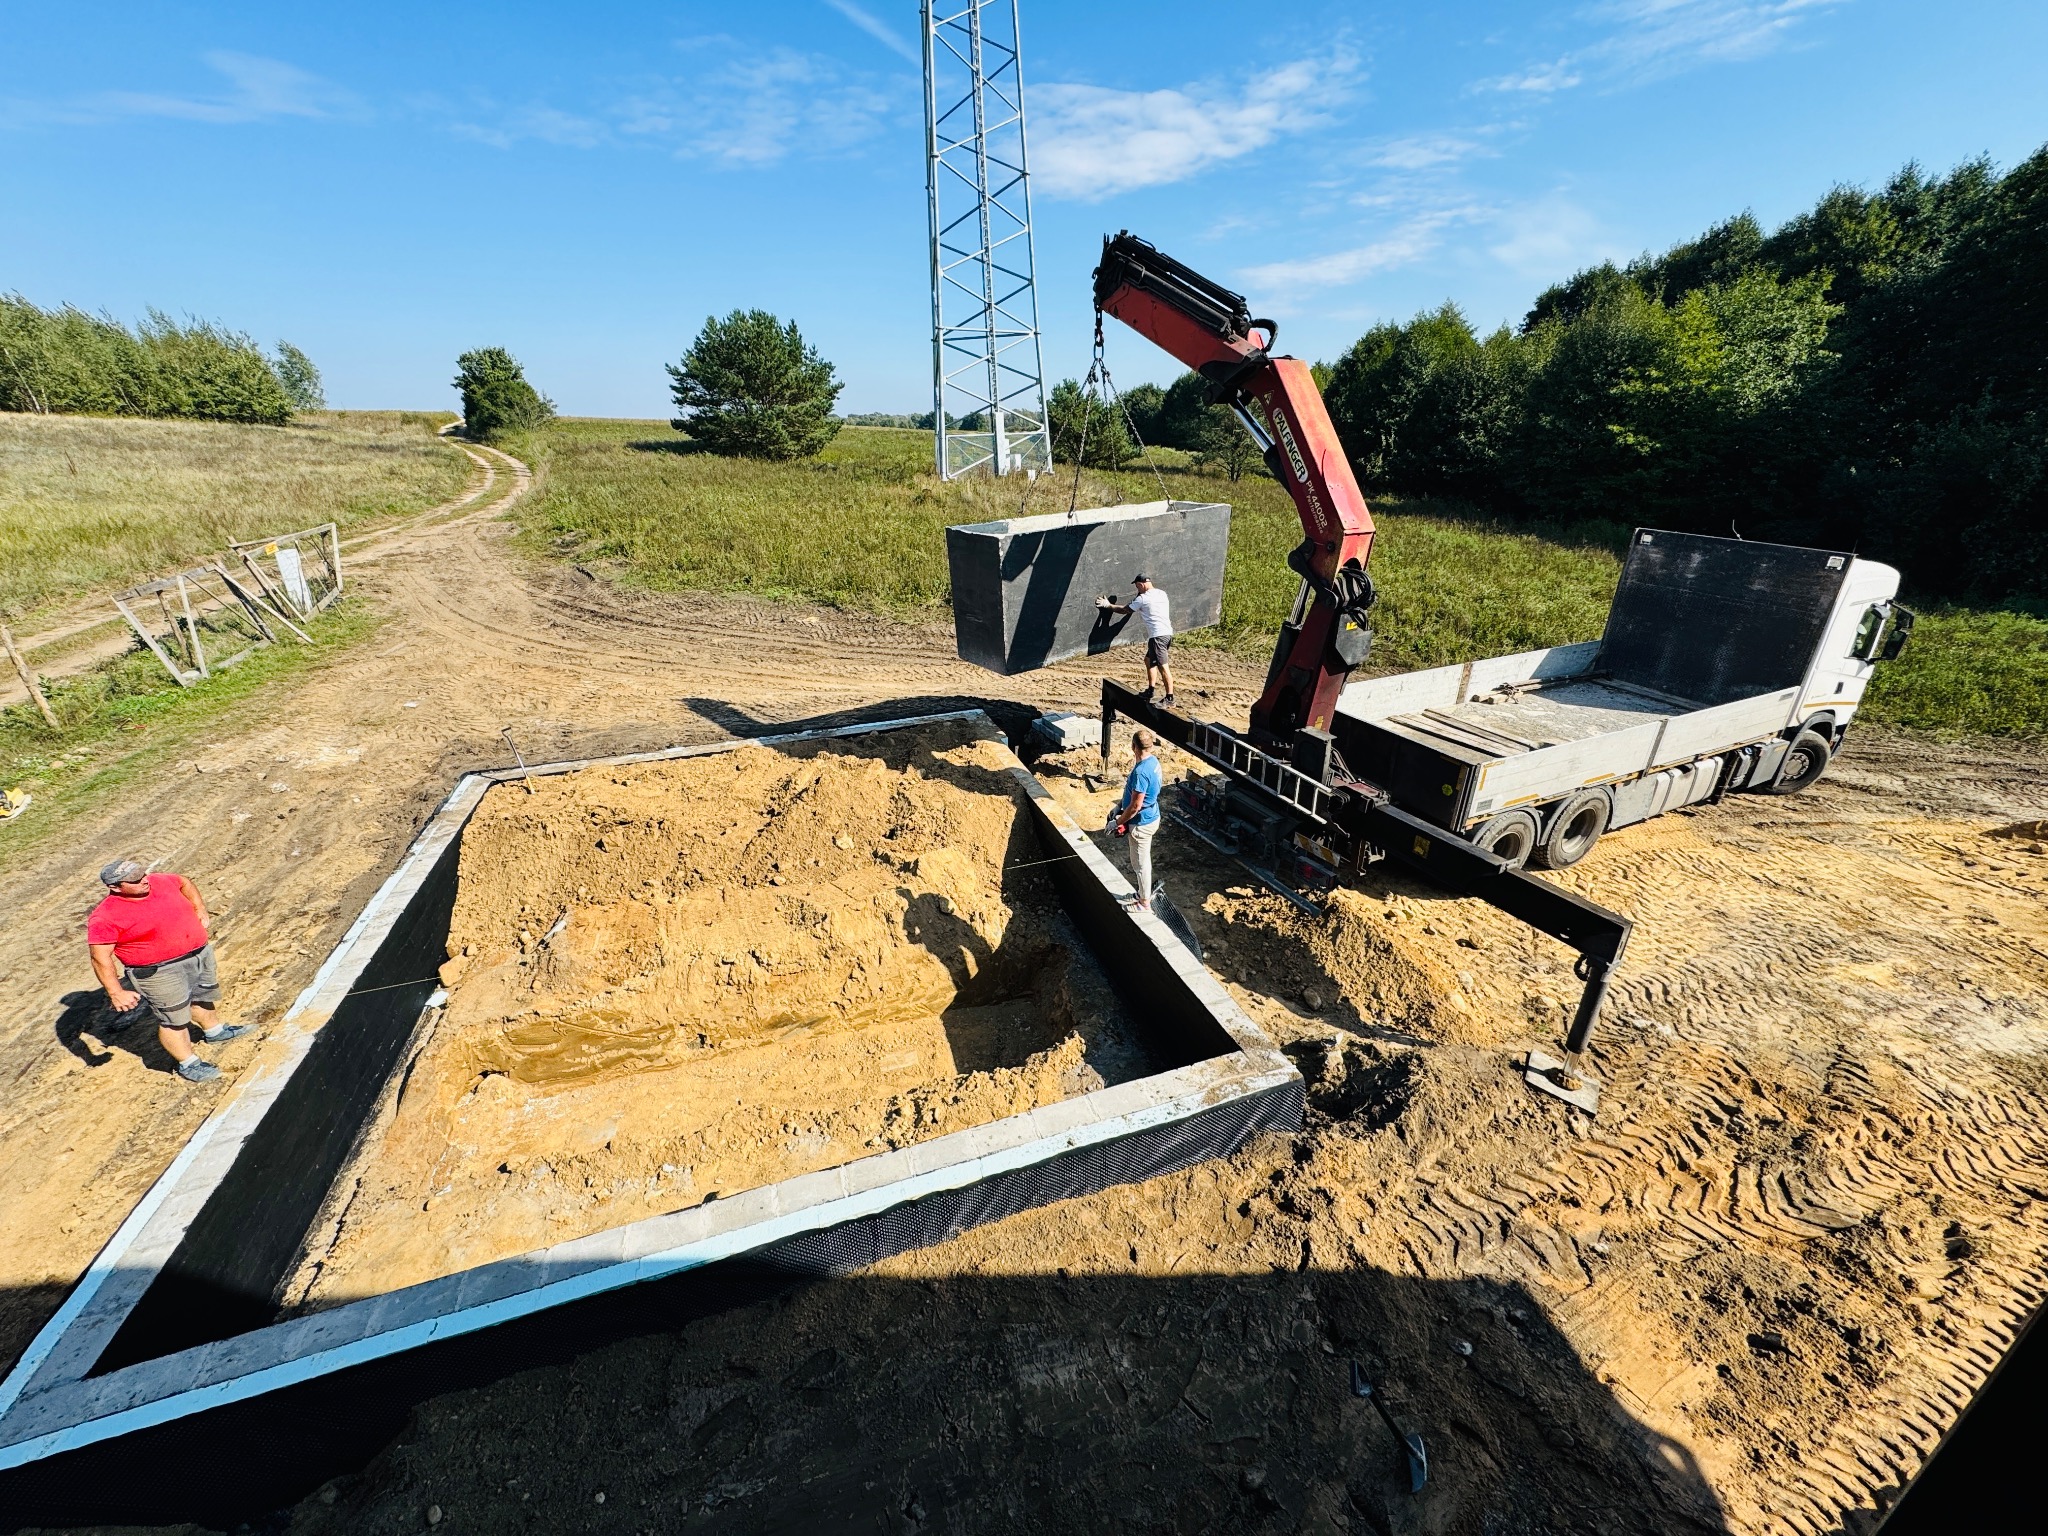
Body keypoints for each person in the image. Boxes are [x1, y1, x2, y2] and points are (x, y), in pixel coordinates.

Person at [86, 860, 248, 1083]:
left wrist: (199, 908)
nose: (144, 880)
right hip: (159, 972)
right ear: (116, 887)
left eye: (143, 874)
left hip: (197, 955)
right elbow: (100, 957)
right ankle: (188, 1064)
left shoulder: (159, 882)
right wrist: (115, 992)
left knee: (201, 996)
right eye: (135, 880)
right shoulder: (105, 917)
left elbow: (184, 883)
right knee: (174, 1019)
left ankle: (215, 1031)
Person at [1100, 573, 1176, 707]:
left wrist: (1108, 605)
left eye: (1137, 587)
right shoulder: (1162, 594)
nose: (1137, 590)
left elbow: (1125, 610)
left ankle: (1170, 699)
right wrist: (1139, 596)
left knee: (1163, 667)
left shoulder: (1142, 599)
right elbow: (1142, 600)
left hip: (1157, 637)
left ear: (1141, 585)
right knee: (1148, 661)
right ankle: (1150, 690)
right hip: (1166, 635)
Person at [1112, 728, 1164, 912]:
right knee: (1141, 862)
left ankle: (1144, 903)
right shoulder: (1153, 762)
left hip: (1141, 824)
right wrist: (1119, 806)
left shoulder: (1141, 772)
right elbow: (1132, 798)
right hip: (1151, 816)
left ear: (1133, 746)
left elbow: (1135, 806)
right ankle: (1142, 894)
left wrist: (1117, 823)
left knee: (1140, 865)